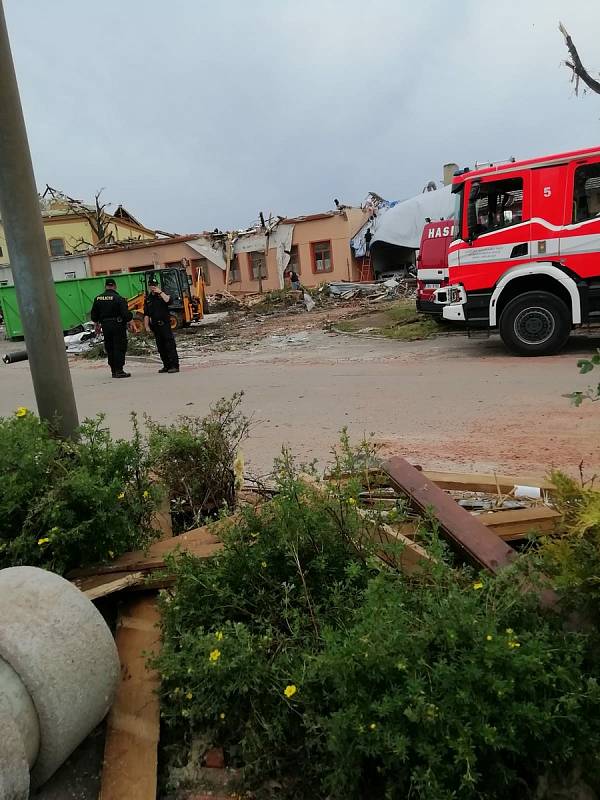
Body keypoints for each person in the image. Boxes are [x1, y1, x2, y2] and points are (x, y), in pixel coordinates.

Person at [90, 278, 133, 378]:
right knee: (119, 346)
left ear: (105, 286)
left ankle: (113, 370)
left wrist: (97, 325)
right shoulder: (119, 298)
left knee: (110, 347)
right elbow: (125, 314)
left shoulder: (98, 299)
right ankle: (119, 370)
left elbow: (94, 316)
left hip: (105, 326)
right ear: (115, 286)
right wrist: (130, 320)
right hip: (117, 325)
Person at [144, 278, 179, 374]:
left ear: (157, 285)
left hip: (165, 325)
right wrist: (146, 326)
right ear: (149, 286)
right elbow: (146, 314)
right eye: (151, 285)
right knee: (161, 347)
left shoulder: (163, 295)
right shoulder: (148, 299)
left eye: (154, 285)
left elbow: (168, 301)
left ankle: (174, 366)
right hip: (155, 326)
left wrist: (160, 292)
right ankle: (166, 365)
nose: (153, 287)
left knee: (170, 345)